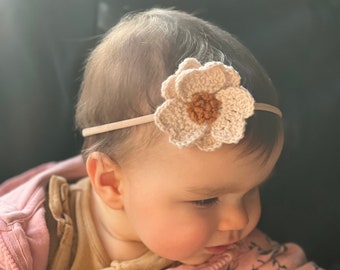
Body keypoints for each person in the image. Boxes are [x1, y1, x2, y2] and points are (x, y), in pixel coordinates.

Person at [0, 8, 323, 270]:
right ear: (111, 182)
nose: (241, 220)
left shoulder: (244, 254)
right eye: (205, 200)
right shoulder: (17, 242)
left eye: (253, 189)